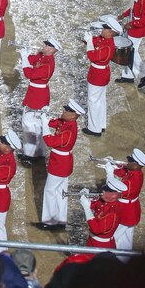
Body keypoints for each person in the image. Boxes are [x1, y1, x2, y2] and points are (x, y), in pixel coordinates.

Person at [35, 100, 85, 230]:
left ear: (74, 115)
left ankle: (49, 221)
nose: (64, 111)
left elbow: (50, 141)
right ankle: (60, 220)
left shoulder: (69, 130)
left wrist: (44, 125)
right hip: (63, 162)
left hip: (59, 164)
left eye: (67, 111)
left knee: (50, 190)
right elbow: (55, 123)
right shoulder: (67, 123)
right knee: (60, 191)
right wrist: (45, 117)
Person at [20, 38, 61, 162]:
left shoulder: (49, 64)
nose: (44, 46)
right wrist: (26, 55)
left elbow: (29, 74)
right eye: (46, 44)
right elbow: (32, 60)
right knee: (33, 124)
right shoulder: (42, 57)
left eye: (48, 46)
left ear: (53, 50)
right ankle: (37, 153)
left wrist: (24, 60)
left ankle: (32, 154)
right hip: (34, 92)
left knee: (30, 124)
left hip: (38, 95)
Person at [84, 15, 121, 136]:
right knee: (100, 100)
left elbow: (92, 56)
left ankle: (94, 129)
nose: (102, 30)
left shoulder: (108, 46)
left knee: (93, 101)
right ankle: (100, 124)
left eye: (104, 29)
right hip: (101, 74)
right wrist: (88, 39)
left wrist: (89, 42)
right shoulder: (104, 39)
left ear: (110, 32)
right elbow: (96, 40)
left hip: (97, 75)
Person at [107, 148, 145, 252]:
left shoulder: (132, 181)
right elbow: (124, 172)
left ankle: (110, 258)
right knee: (127, 237)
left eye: (130, 161)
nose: (128, 162)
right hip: (132, 209)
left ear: (137, 164)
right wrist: (114, 167)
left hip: (125, 212)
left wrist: (109, 173)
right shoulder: (136, 172)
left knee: (112, 237)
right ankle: (125, 258)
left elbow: (115, 191)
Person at [79, 175, 126, 252]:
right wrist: (87, 197)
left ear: (114, 194)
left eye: (107, 190)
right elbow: (96, 205)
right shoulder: (107, 202)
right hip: (92, 241)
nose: (103, 192)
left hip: (101, 247)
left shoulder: (113, 213)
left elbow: (96, 229)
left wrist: (86, 208)